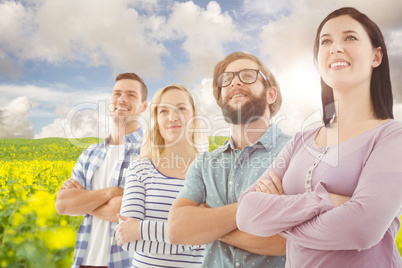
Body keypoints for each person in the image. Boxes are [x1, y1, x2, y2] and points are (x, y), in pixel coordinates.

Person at [237, 7, 402, 268]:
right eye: (326, 41)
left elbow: (361, 229)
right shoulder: (300, 140)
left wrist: (279, 218)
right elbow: (246, 212)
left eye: (350, 38)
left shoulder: (393, 137)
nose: (335, 48)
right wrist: (327, 201)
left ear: (376, 55)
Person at [167, 52, 291, 267]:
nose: (235, 81)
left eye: (248, 75)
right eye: (227, 79)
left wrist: (208, 225)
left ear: (271, 94)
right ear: (221, 100)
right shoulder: (204, 163)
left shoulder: (296, 152)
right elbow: (177, 230)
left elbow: (287, 241)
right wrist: (258, 206)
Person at [55, 72, 148, 268]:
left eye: (131, 95)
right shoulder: (89, 154)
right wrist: (112, 192)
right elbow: (63, 204)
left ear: (144, 106)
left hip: (123, 262)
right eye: (117, 94)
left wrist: (84, 202)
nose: (122, 99)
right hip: (83, 261)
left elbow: (124, 211)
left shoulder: (150, 153)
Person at [114, 84, 206, 267]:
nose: (172, 117)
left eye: (181, 108)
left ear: (194, 116)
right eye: (163, 111)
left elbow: (211, 234)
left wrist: (140, 229)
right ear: (155, 119)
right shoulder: (139, 169)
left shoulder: (210, 171)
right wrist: (191, 234)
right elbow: (127, 238)